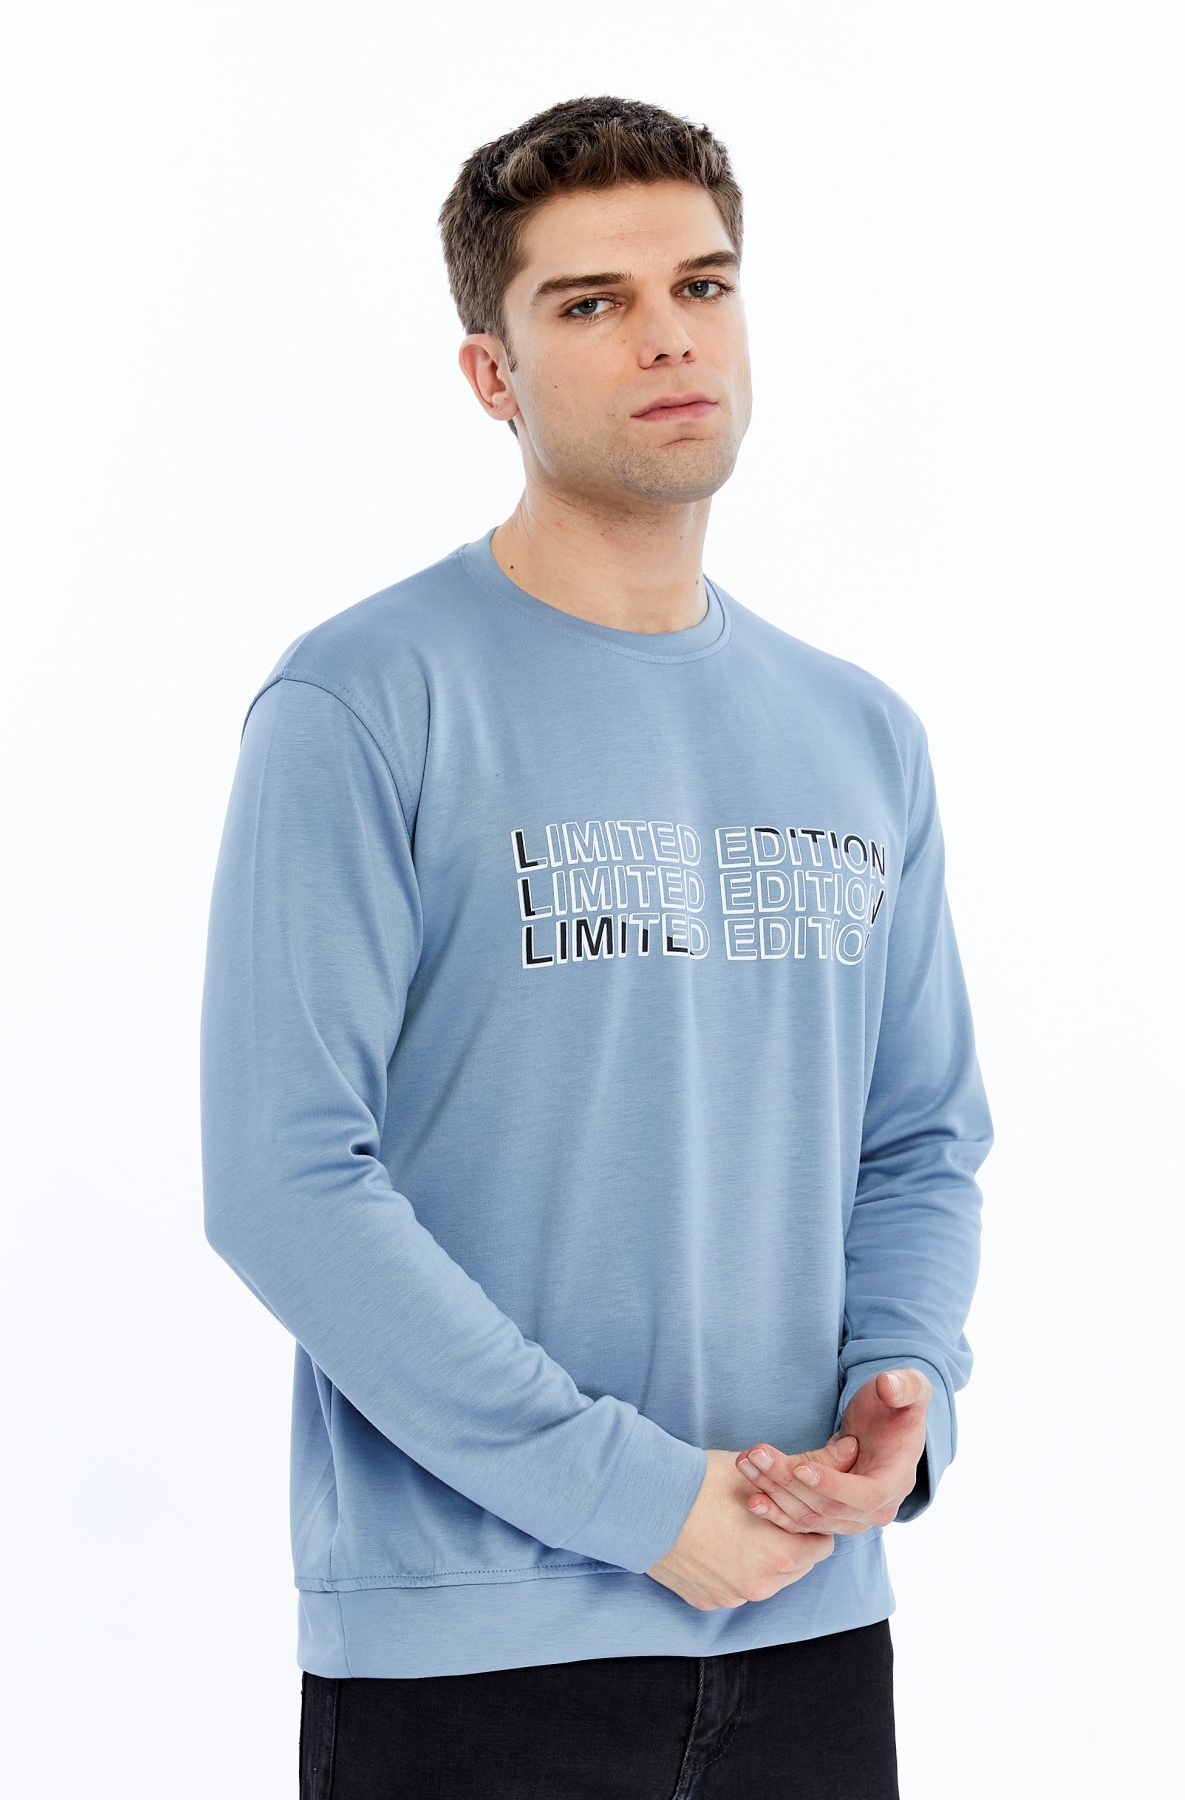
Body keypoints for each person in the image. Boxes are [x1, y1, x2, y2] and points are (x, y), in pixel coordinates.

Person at [202, 95, 991, 1799]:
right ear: (490, 374)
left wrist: (903, 1379)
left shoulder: (861, 733)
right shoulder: (363, 701)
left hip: (809, 1630)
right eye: (593, 302)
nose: (669, 336)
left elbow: (921, 1141)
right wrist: (636, 1501)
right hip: (476, 1657)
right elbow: (284, 1181)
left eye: (702, 285)